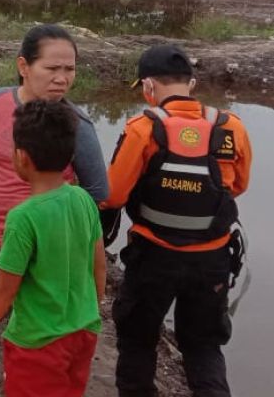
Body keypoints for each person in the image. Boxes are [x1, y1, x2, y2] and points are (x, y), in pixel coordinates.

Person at [0, 24, 109, 397]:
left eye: (69, 69)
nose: (62, 79)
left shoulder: (76, 125)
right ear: (24, 66)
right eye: (52, 68)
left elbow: (97, 192)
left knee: (33, 332)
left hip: (43, 250)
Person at [102, 44, 252, 397]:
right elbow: (238, 186)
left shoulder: (142, 128)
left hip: (153, 258)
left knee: (138, 342)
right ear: (192, 83)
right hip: (213, 260)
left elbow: (113, 195)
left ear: (148, 87)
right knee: (203, 347)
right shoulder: (232, 127)